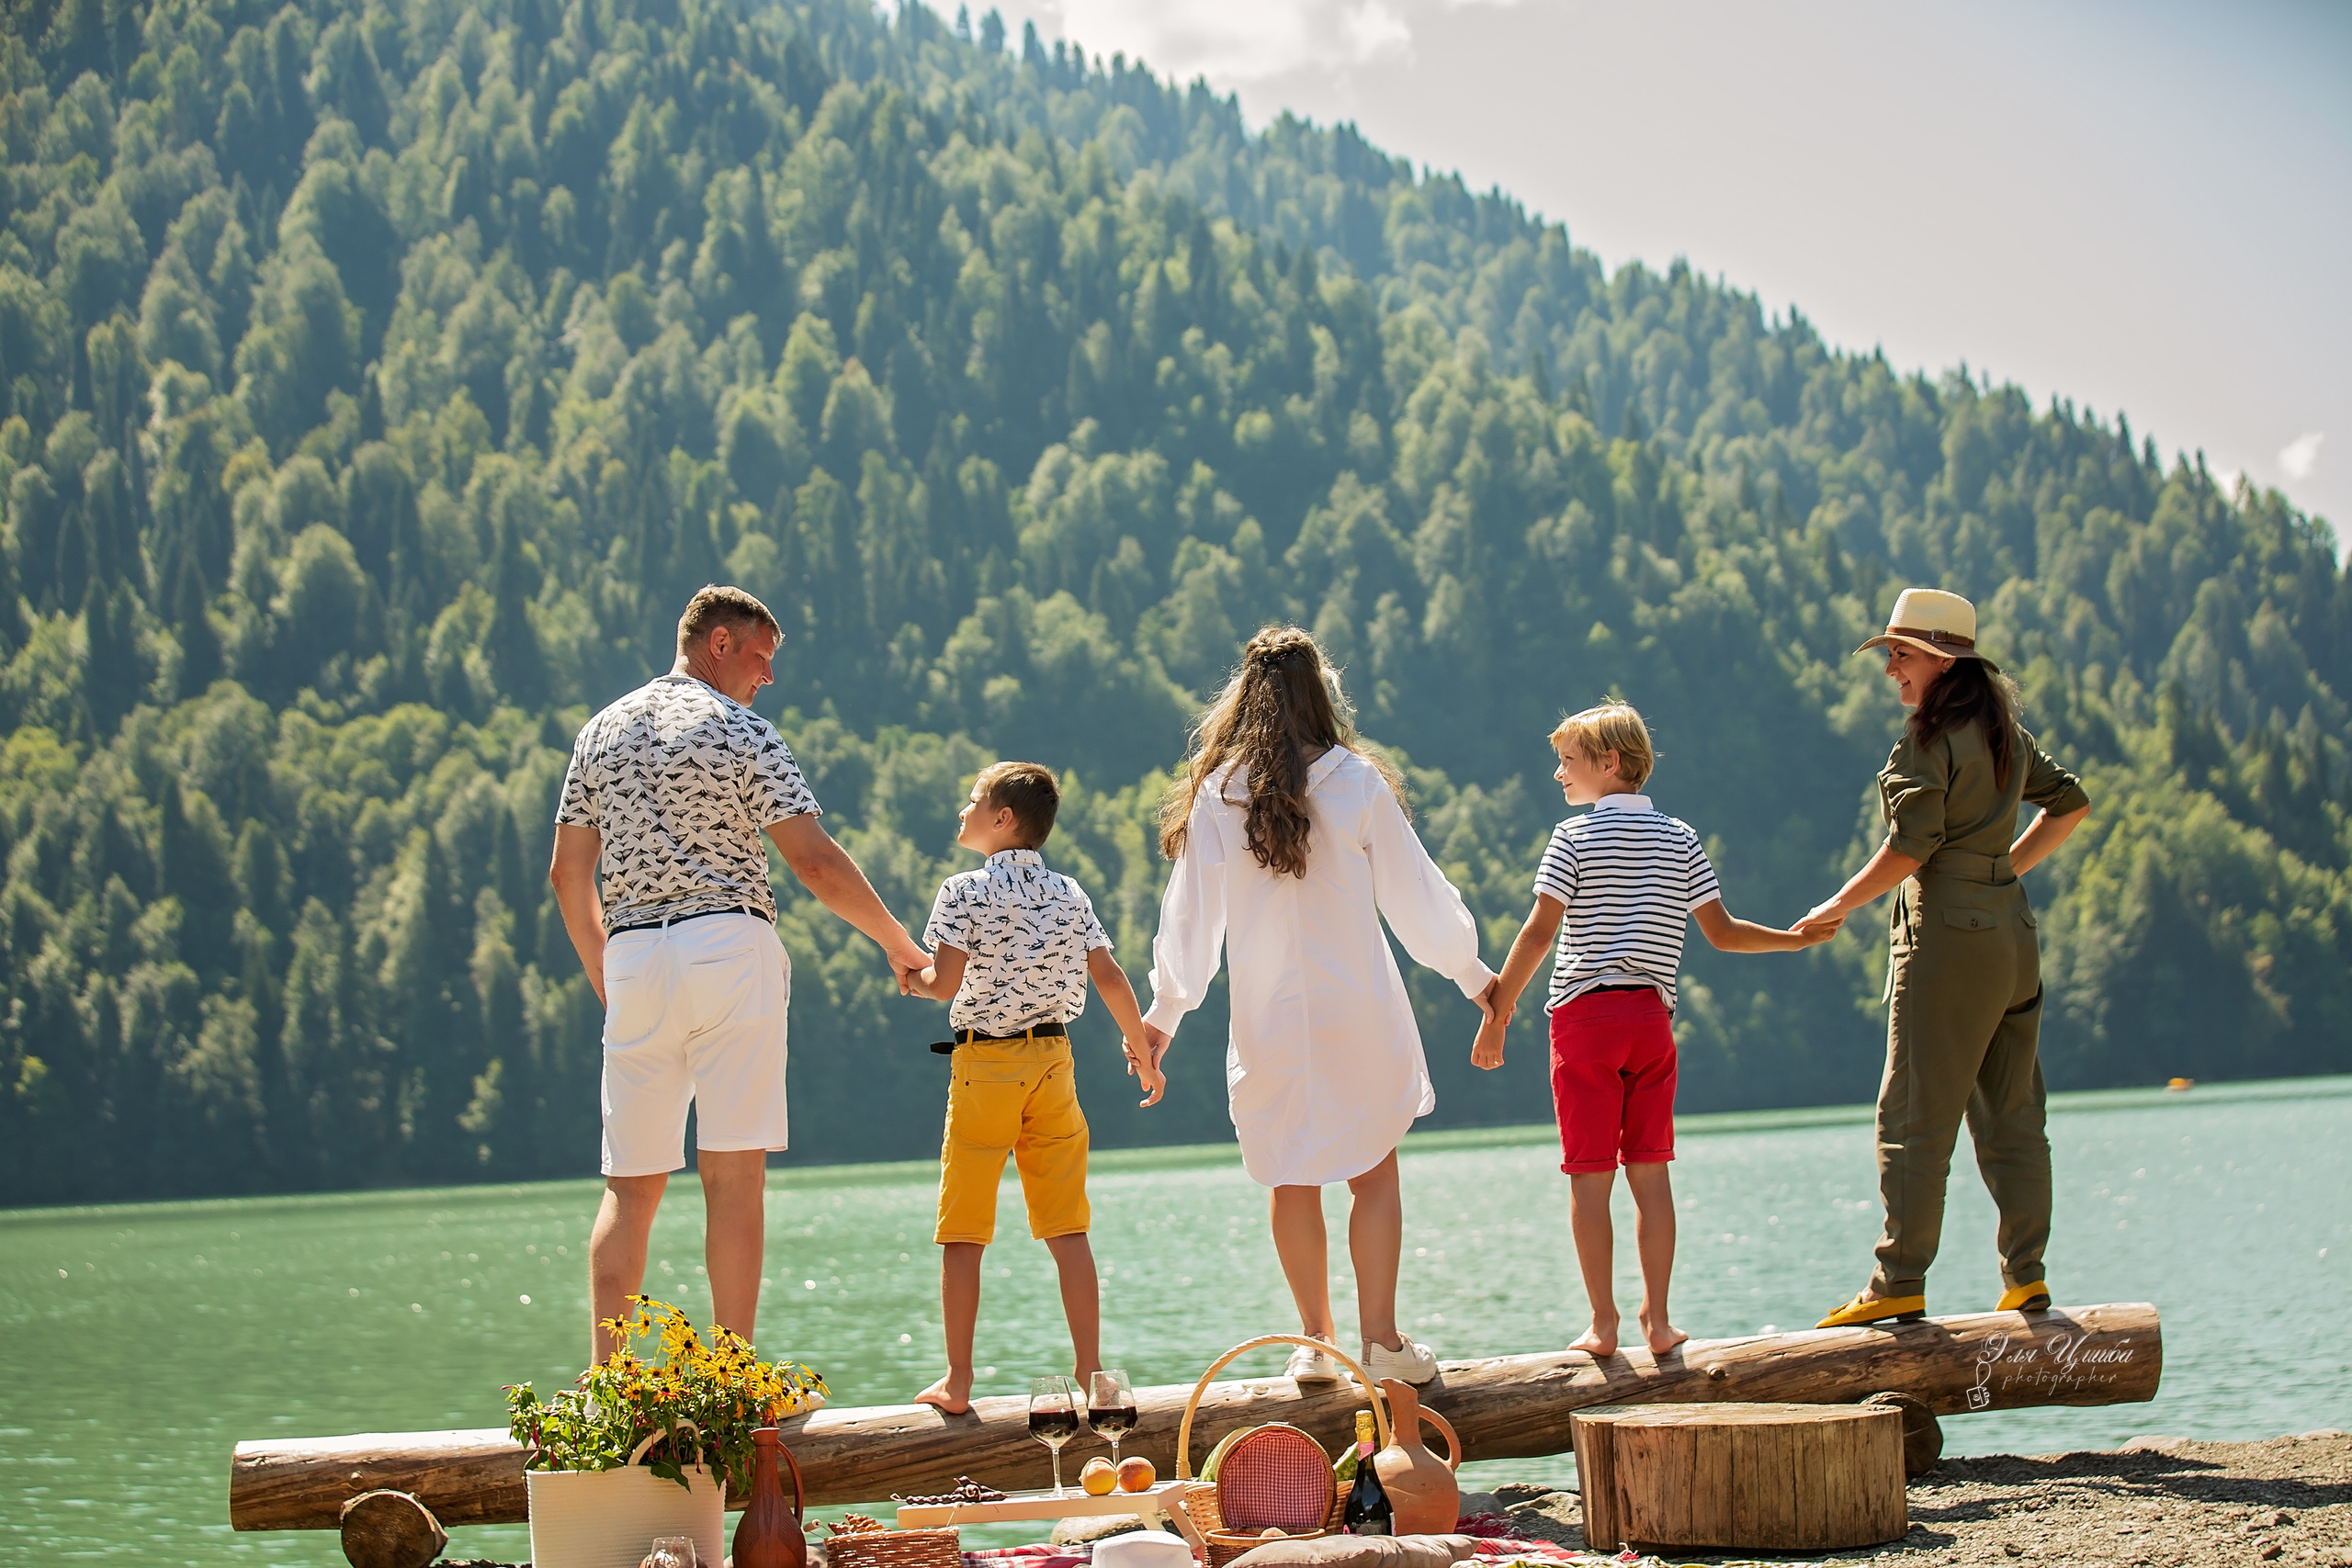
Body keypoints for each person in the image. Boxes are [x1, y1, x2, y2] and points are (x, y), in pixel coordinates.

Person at [549, 584, 931, 1362]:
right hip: (728, 946)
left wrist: (604, 973)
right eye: (761, 655)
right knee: (732, 1179)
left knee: (630, 1186)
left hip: (632, 954)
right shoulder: (741, 730)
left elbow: (567, 874)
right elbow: (814, 863)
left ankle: (609, 1388)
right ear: (718, 643)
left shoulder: (600, 733)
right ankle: (733, 1378)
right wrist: (900, 944)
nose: (769, 676)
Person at [1141, 626, 1496, 1387]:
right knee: (1373, 1169)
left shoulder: (1219, 792)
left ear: (1244, 696)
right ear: (1320, 691)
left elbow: (1191, 914)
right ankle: (1379, 1342)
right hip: (1358, 1008)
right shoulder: (1356, 780)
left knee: (1288, 1174)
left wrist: (1165, 1012)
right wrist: (1473, 975)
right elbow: (1416, 895)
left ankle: (1313, 1342)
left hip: (1266, 1017)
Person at [1470, 701, 1834, 1358]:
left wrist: (1499, 1008)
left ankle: (1603, 1324)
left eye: (1567, 761)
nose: (1558, 775)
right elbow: (1721, 931)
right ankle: (1658, 1321)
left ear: (1609, 762)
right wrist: (1791, 939)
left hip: (1584, 1021)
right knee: (1650, 1173)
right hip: (1650, 1022)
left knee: (1589, 1176)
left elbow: (1539, 932)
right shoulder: (1682, 837)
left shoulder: (1572, 838)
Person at [1794, 589, 2090, 1328]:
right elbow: (2072, 802)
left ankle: (1898, 1279)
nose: (1891, 666)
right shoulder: (2005, 733)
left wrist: (1836, 905)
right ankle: (2026, 1278)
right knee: (2014, 1115)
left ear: (1942, 660)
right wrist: (2004, 869)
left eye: (1902, 652)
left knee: (1912, 1115)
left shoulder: (1930, 739)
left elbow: (1910, 845)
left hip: (1948, 944)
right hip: (2012, 936)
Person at [899, 761, 1160, 1413]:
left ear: (1002, 818)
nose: (963, 809)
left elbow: (944, 984)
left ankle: (958, 1382)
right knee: (1067, 1224)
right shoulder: (1070, 894)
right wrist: (1143, 1051)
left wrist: (910, 974)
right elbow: (1108, 976)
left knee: (964, 1230)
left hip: (986, 1065)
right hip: (1053, 1060)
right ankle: (1094, 1373)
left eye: (973, 799)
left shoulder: (961, 891)